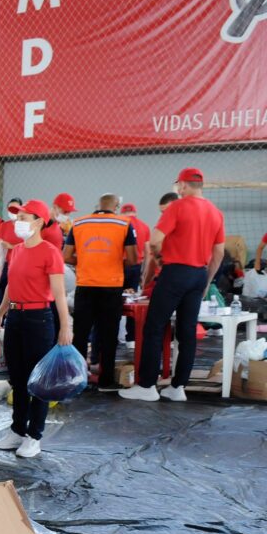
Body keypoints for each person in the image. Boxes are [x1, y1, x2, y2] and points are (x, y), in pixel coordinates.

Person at [120, 168, 225, 403]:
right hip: (199, 274)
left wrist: (159, 259)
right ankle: (178, 387)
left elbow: (155, 241)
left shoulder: (178, 206)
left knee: (154, 327)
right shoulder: (216, 213)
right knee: (187, 332)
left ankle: (147, 385)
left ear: (183, 185)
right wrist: (206, 281)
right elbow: (218, 253)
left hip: (176, 272)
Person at [0, 200, 73, 459]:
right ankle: (17, 429)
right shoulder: (17, 251)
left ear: (38, 222)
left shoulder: (50, 252)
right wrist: (0, 314)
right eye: (18, 217)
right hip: (16, 317)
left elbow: (59, 294)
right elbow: (9, 287)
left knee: (39, 381)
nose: (18, 222)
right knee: (17, 378)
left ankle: (34, 436)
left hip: (40, 319)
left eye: (24, 217)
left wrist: (65, 327)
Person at [63, 194, 137, 391]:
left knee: (80, 334)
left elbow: (66, 256)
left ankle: (77, 378)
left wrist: (87, 260)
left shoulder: (78, 224)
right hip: (111, 286)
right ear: (117, 206)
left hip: (85, 285)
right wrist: (112, 262)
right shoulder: (124, 224)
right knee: (109, 335)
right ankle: (105, 381)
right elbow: (132, 259)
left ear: (98, 205)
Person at [120, 202, 151, 344]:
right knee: (131, 300)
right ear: (135, 213)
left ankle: (113, 336)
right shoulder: (144, 226)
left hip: (119, 266)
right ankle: (131, 338)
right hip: (135, 267)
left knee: (115, 301)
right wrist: (144, 273)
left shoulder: (119, 224)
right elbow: (148, 252)